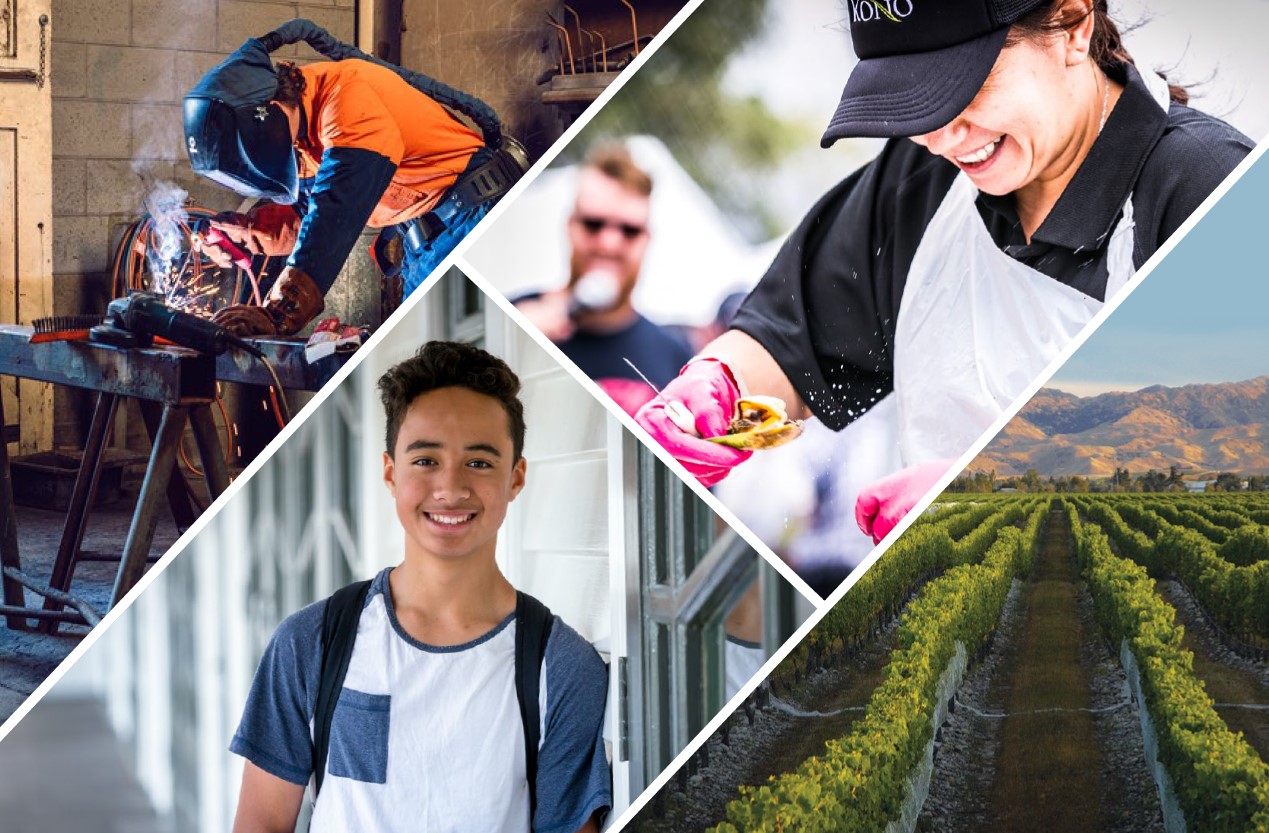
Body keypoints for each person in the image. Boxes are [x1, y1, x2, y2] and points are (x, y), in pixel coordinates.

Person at [636, 0, 1253, 547]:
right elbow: (786, 339)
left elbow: (1234, 445)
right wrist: (718, 385)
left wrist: (996, 492)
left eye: (963, 88)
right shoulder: (923, 184)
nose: (941, 137)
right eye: (914, 101)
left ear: (1071, 23)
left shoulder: (1200, 184)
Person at [228, 342, 609, 833]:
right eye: (426, 460)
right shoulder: (313, 640)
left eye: (479, 461)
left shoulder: (561, 665)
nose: (450, 488)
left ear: (516, 478)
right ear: (390, 472)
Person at [183, 19, 526, 337]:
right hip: (431, 235)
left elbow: (334, 210)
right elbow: (307, 212)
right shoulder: (301, 128)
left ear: (269, 109)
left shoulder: (346, 101)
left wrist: (278, 314)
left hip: (474, 219)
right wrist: (246, 234)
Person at [512, 143, 692, 417]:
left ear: (646, 240)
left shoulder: (675, 360)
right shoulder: (513, 317)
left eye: (629, 230)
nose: (609, 243)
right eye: (594, 224)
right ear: (570, 226)